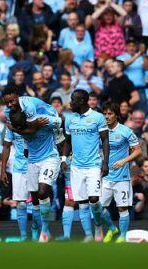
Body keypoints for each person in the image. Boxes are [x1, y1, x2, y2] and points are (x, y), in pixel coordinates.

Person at [2, 86, 62, 242]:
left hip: (49, 157)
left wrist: (63, 159)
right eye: (7, 103)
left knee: (42, 193)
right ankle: (31, 235)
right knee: (32, 200)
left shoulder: (43, 119)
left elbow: (57, 127)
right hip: (30, 162)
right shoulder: (12, 117)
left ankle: (44, 231)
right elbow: (10, 144)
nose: (10, 106)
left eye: (12, 101)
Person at [63, 89, 109, 242]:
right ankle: (89, 235)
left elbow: (105, 141)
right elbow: (68, 142)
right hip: (76, 166)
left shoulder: (98, 117)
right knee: (81, 202)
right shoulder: (70, 119)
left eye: (73, 99)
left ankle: (97, 225)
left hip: (94, 165)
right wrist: (64, 159)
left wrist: (105, 163)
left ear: (82, 101)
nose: (70, 103)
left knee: (94, 199)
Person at [101, 102, 141, 243]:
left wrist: (124, 161)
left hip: (122, 177)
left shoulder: (125, 131)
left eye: (110, 113)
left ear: (116, 115)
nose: (107, 116)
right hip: (105, 177)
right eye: (105, 113)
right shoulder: (100, 131)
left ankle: (123, 236)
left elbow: (138, 150)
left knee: (122, 208)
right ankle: (112, 229)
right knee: (97, 207)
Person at [0, 127, 30, 241]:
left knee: (39, 202)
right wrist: (2, 170)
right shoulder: (12, 124)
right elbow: (6, 146)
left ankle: (39, 234)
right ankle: (23, 237)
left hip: (37, 164)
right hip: (19, 167)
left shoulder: (36, 119)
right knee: (21, 204)